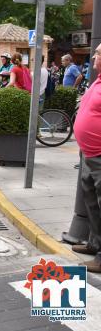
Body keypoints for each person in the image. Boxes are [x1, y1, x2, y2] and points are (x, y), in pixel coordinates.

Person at [73, 42, 101, 273]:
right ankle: (94, 244)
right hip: (90, 154)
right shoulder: (98, 80)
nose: (93, 57)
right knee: (91, 200)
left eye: (98, 54)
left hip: (100, 155)